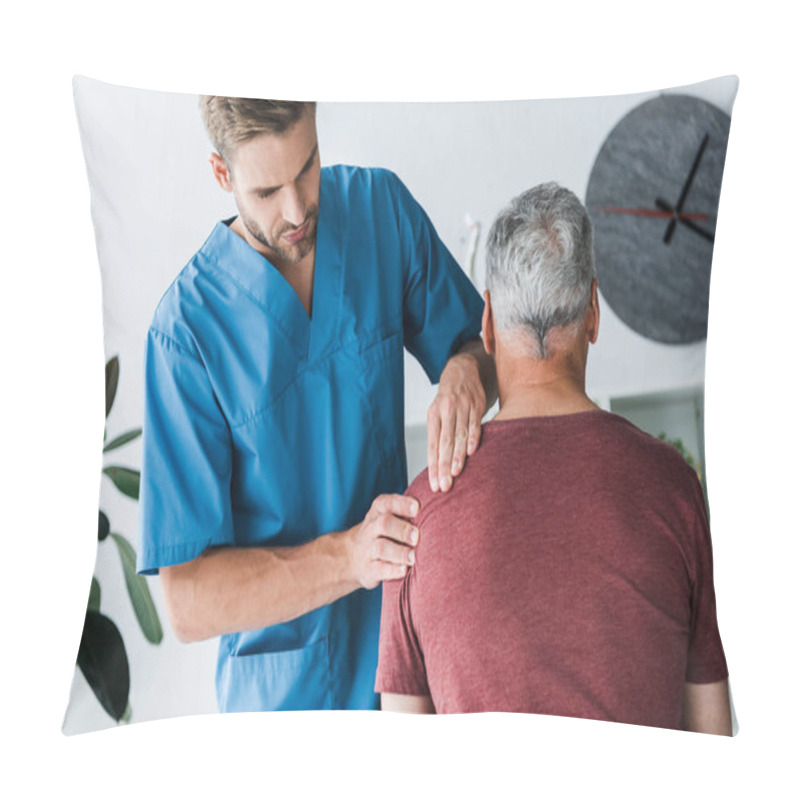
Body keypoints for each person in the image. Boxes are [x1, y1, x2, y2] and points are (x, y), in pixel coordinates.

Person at [136, 98, 497, 712]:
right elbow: (188, 603)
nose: (298, 210)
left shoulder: (379, 212)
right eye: (267, 190)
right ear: (223, 176)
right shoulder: (186, 334)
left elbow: (481, 346)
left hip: (409, 658)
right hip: (285, 703)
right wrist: (348, 557)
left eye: (307, 169)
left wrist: (466, 370)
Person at [375, 182, 731, 734]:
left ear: (487, 323)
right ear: (593, 312)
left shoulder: (418, 516)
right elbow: (712, 738)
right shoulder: (675, 490)